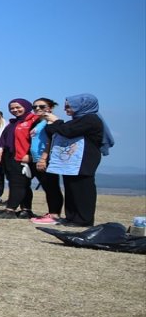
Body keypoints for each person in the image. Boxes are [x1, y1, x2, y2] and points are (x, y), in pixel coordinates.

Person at [39, 94, 113, 227]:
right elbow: (55, 131)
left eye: (69, 106)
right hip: (71, 162)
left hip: (85, 160)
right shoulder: (77, 120)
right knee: (71, 189)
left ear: (82, 106)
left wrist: (56, 121)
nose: (65, 108)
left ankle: (83, 220)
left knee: (82, 190)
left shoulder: (91, 119)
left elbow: (68, 131)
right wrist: (50, 121)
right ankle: (71, 217)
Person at [0, 98, 41, 219]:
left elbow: (37, 140)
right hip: (10, 156)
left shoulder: (34, 120)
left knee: (18, 183)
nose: (15, 110)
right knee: (21, 184)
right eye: (12, 108)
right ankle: (26, 209)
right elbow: (4, 140)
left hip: (23, 156)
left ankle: (10, 210)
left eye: (18, 107)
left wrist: (30, 155)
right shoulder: (14, 122)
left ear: (26, 106)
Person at [27, 98, 64, 225]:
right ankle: (51, 213)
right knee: (47, 187)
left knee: (51, 187)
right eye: (35, 107)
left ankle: (54, 214)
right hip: (36, 158)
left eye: (42, 106)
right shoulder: (39, 121)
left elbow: (50, 140)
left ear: (50, 108)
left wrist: (43, 158)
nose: (37, 109)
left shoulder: (51, 121)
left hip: (45, 159)